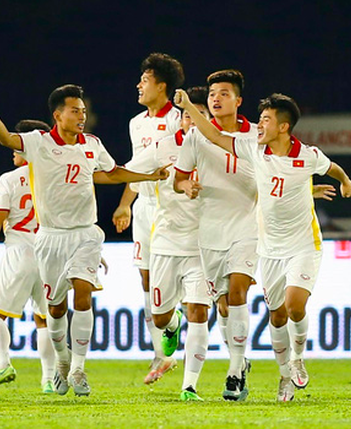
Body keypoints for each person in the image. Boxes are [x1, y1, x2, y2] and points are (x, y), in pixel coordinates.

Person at [0, 82, 170, 397]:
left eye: (83, 111)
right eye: (74, 110)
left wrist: (148, 177)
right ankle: (63, 362)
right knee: (54, 310)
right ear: (58, 114)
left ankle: (79, 368)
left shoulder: (91, 143)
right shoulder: (38, 142)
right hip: (50, 237)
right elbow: (6, 139)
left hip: (86, 233)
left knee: (83, 294)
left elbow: (111, 172)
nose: (81, 116)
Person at [174, 90, 351, 402]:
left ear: (283, 127)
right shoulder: (253, 148)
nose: (259, 125)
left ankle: (297, 357)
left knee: (294, 305)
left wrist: (346, 181)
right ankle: (285, 375)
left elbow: (332, 167)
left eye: (266, 120)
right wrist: (190, 107)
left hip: (303, 244)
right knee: (276, 316)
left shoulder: (307, 155)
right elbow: (216, 137)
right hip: (269, 249)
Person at [173, 70, 259, 401]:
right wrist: (186, 185)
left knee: (238, 292)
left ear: (238, 100)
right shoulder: (195, 138)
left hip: (247, 227)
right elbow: (177, 179)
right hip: (210, 231)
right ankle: (240, 361)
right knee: (224, 305)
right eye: (212, 94)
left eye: (223, 93)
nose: (215, 98)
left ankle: (235, 370)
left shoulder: (254, 135)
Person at [126, 86, 212, 401]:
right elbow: (130, 174)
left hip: (203, 246)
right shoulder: (162, 148)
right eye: (189, 115)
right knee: (161, 316)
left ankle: (189, 385)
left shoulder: (220, 150)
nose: (193, 121)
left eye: (201, 115)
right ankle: (171, 325)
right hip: (165, 242)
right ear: (182, 119)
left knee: (198, 311)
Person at [112, 53, 185, 384]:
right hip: (144, 206)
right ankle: (162, 350)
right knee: (146, 278)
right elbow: (137, 165)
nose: (139, 85)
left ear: (162, 86)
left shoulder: (178, 120)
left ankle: (174, 335)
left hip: (173, 206)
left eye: (145, 80)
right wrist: (126, 203)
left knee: (172, 277)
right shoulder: (135, 122)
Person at [0, 119, 56, 395]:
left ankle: (3, 364)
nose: (13, 150)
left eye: (18, 144)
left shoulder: (9, 179)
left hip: (20, 251)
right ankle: (49, 380)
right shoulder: (54, 175)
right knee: (45, 319)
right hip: (52, 252)